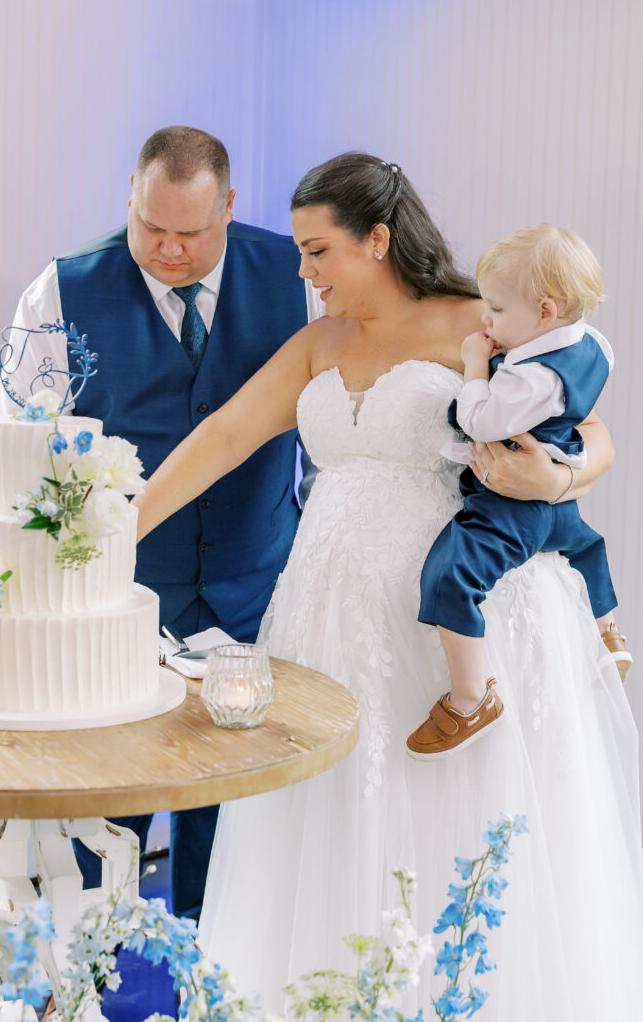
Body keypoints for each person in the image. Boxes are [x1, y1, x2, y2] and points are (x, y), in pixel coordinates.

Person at [133, 153, 643, 1019]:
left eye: (317, 250)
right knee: (327, 817)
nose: (303, 271)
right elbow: (223, 437)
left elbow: (589, 429)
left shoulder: (472, 323)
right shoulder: (315, 345)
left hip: (453, 618)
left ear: (376, 240)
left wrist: (557, 482)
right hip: (324, 614)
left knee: (452, 817)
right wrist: (116, 534)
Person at [0, 126, 323, 925]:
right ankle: (76, 988)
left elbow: (328, 438)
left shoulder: (300, 277)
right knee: (107, 811)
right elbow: (20, 448)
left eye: (191, 233)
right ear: (129, 197)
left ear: (230, 208)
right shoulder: (61, 291)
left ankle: (213, 988)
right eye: (152, 229)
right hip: (123, 602)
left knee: (236, 814)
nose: (169, 251)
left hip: (256, 590)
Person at [408, 223, 632, 760]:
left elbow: (480, 420)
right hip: (559, 501)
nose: (486, 319)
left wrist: (475, 364)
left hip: (511, 502)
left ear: (545, 312)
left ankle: (470, 697)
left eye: (497, 311)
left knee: (450, 576)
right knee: (585, 546)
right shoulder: (591, 343)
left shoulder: (527, 375)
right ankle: (607, 636)